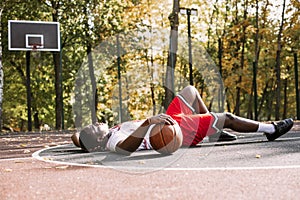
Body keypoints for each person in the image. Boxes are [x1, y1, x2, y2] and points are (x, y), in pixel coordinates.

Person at [71, 85, 294, 155]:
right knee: (226, 117)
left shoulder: (101, 135)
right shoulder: (113, 139)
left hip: (166, 121)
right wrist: (149, 122)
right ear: (99, 141)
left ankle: (213, 132)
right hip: (170, 132)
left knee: (190, 91)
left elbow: (78, 138)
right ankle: (270, 129)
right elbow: (123, 150)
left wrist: (81, 139)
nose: (95, 123)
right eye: (93, 128)